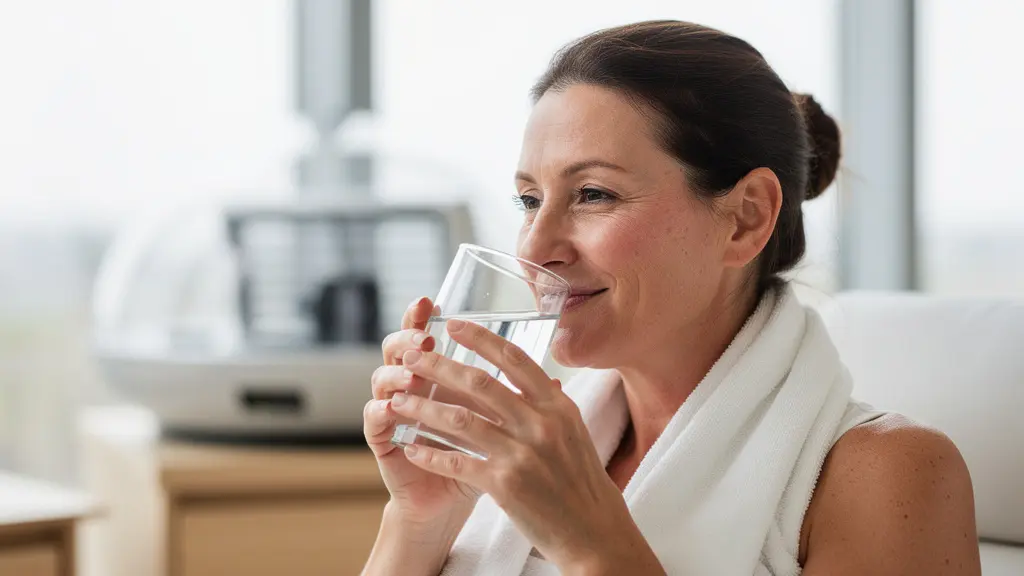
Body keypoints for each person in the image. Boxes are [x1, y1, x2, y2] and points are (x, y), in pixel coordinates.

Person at [361, 20, 981, 576]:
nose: (536, 244)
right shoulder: (523, 459)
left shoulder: (889, 475)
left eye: (594, 194)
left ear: (744, 218)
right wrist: (422, 516)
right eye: (529, 200)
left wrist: (592, 547)